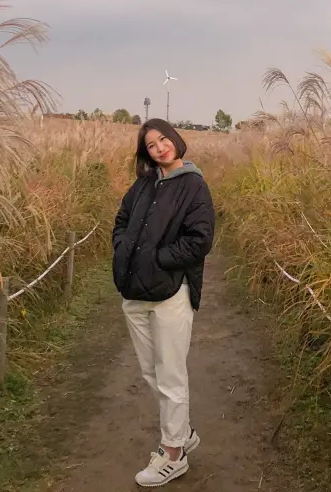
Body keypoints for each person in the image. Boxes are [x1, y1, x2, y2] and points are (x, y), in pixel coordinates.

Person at [112, 117, 215, 487]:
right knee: (152, 372)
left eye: (163, 140)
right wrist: (123, 249)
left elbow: (200, 240)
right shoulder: (142, 185)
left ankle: (173, 453)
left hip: (170, 293)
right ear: (147, 154)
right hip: (134, 294)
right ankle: (182, 431)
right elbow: (122, 220)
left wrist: (158, 260)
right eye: (151, 145)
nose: (159, 148)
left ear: (175, 139)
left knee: (170, 375)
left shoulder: (194, 185)